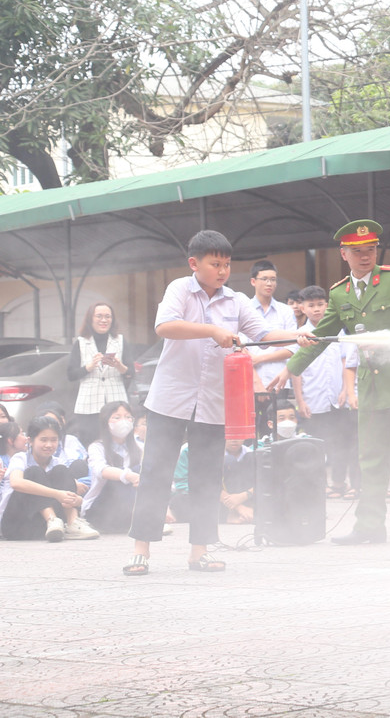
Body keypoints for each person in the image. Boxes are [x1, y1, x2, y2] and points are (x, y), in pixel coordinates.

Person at [123, 229, 310, 577]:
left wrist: (298, 334)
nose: (222, 271)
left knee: (207, 477)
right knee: (155, 473)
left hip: (212, 402)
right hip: (170, 398)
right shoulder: (179, 289)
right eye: (215, 264)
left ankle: (200, 551)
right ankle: (141, 550)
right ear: (194, 264)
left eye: (226, 264)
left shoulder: (236, 300)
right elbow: (164, 326)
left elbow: (263, 334)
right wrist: (211, 330)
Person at [278, 219, 390, 545]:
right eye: (358, 252)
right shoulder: (340, 293)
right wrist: (290, 368)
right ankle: (369, 526)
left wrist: (384, 339)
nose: (366, 257)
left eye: (371, 250)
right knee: (370, 459)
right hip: (372, 386)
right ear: (344, 254)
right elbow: (322, 336)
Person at [289, 285, 360, 499]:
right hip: (314, 399)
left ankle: (338, 483)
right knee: (317, 446)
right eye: (311, 305)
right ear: (302, 307)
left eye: (320, 305)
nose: (317, 309)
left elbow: (347, 362)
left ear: (327, 306)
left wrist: (346, 390)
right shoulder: (300, 336)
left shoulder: (339, 332)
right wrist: (300, 401)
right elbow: (296, 370)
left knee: (341, 443)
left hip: (338, 399)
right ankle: (316, 487)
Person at [1, 416, 100, 540]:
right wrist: (57, 494)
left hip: (42, 526)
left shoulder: (57, 462)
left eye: (54, 440)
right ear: (30, 441)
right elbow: (16, 483)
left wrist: (78, 500)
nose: (49, 445)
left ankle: (72, 522)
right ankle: (51, 519)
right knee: (34, 472)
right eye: (43, 440)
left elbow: (73, 489)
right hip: (16, 524)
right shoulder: (21, 458)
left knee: (61, 470)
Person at [67, 302, 136, 445]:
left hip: (115, 399)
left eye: (107, 317)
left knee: (117, 441)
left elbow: (130, 373)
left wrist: (118, 365)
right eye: (99, 316)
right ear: (90, 319)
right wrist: (89, 366)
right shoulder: (80, 342)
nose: (103, 320)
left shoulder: (120, 341)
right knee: (90, 442)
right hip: (89, 404)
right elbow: (71, 375)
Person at [82, 401, 143, 534]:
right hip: (102, 508)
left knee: (141, 470)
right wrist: (128, 476)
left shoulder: (139, 448)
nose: (124, 421)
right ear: (106, 422)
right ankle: (140, 520)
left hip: (128, 506)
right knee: (120, 478)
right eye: (117, 417)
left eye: (128, 417)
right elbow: (101, 470)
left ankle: (144, 517)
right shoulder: (97, 447)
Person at [248, 260, 297, 396]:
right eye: (264, 279)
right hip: (251, 381)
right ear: (253, 281)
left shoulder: (286, 311)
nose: (269, 283)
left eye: (273, 280)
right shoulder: (245, 309)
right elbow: (239, 346)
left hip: (279, 380)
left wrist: (260, 358)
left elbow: (292, 348)